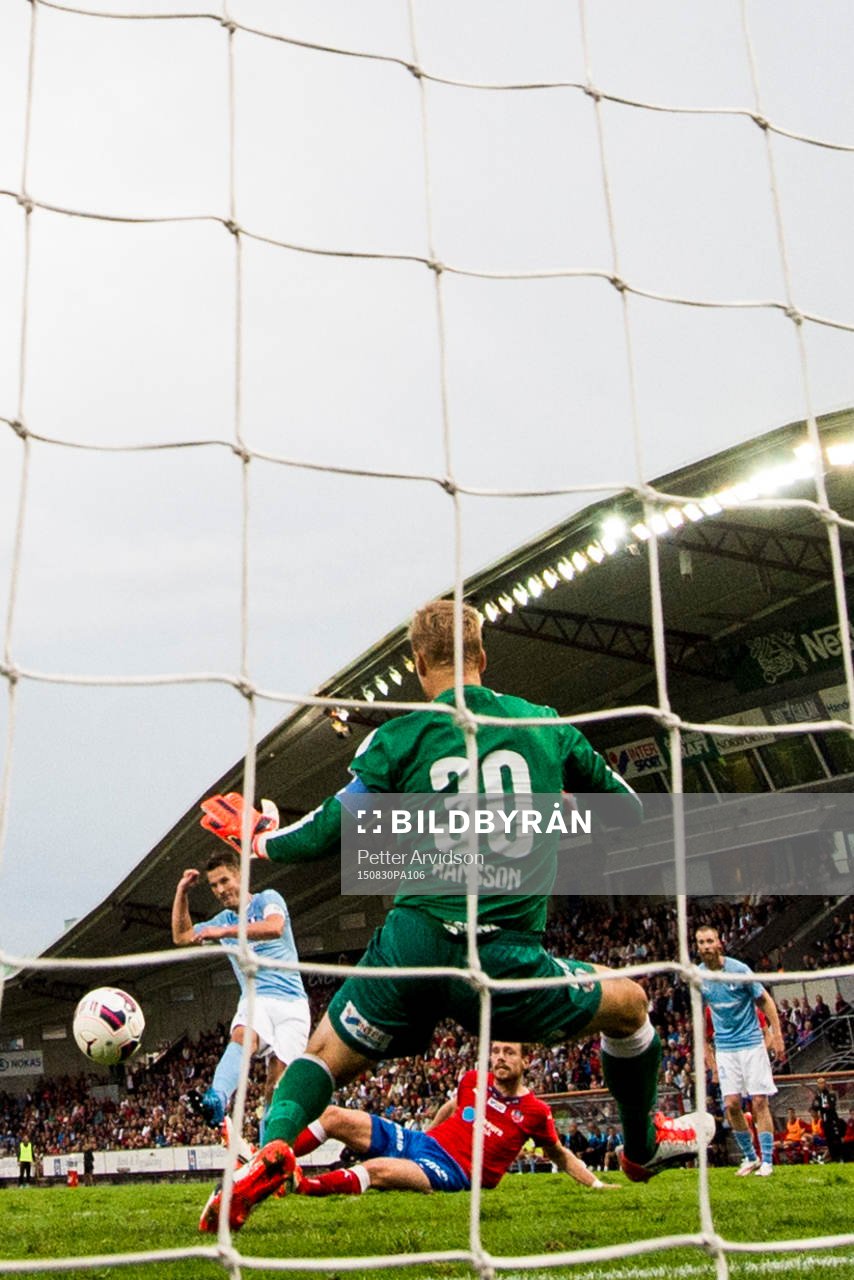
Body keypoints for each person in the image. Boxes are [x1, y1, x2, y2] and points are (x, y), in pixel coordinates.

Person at [199, 600, 713, 1231]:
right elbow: (630, 813)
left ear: (418, 665)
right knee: (631, 1004)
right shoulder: (546, 726)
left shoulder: (401, 735)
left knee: (322, 1057)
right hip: (504, 960)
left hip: (412, 946)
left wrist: (259, 839)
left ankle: (273, 1148)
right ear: (484, 657)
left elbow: (325, 833)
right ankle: (641, 1149)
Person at [280, 1042, 618, 1201]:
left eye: (509, 1053)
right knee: (334, 1115)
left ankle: (301, 1186)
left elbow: (559, 1154)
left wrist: (597, 1185)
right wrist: (426, 1134)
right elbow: (452, 1105)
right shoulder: (473, 1079)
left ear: (526, 1060)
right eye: (496, 1051)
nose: (499, 1058)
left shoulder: (534, 1112)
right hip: (423, 1144)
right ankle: (268, 1159)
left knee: (378, 1170)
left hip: (455, 1172)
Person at [171, 849, 311, 1138]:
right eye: (214, 885)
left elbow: (274, 927)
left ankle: (267, 1156)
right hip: (257, 997)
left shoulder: (267, 899)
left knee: (278, 1087)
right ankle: (217, 1099)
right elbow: (181, 936)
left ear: (241, 876)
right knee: (243, 1035)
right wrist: (182, 891)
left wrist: (223, 932)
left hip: (294, 1005)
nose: (221, 890)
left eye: (225, 881)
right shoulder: (220, 921)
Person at [696, 924, 784, 1179]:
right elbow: (700, 1013)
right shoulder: (699, 976)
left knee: (759, 1101)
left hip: (751, 1043)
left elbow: (764, 1000)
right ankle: (750, 1157)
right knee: (731, 1104)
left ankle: (767, 1160)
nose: (706, 946)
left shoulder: (739, 970)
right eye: (701, 942)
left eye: (709, 941)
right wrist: (706, 1051)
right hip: (725, 1048)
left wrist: (777, 1035)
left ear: (719, 943)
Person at [811, 1076, 844, 1162]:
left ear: (825, 1084)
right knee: (829, 1140)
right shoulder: (817, 1096)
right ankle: (833, 1158)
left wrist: (821, 1106)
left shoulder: (831, 1095)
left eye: (822, 1083)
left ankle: (840, 1157)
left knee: (836, 1139)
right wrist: (820, 1106)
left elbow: (830, 1107)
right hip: (824, 1121)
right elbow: (814, 1107)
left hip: (833, 1120)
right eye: (819, 1083)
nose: (821, 1085)